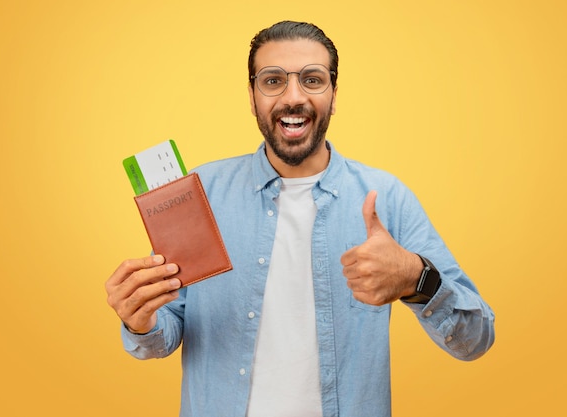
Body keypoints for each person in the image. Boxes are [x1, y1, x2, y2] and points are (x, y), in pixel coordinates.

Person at [105, 20, 495, 417]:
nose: (293, 97)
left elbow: (475, 338)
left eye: (312, 79)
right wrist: (141, 319)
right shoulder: (202, 191)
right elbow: (164, 333)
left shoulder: (386, 198)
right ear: (253, 95)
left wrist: (417, 278)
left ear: (334, 93)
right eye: (273, 81)